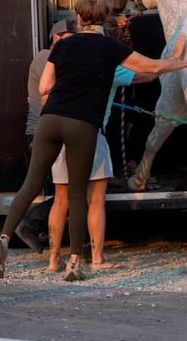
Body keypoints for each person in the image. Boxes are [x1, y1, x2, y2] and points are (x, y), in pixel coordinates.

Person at [0, 0, 187, 281]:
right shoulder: (111, 48)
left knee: (31, 184)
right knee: (78, 194)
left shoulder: (61, 45)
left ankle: (3, 240)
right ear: (104, 16)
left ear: (78, 16)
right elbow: (151, 69)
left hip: (50, 119)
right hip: (82, 124)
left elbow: (44, 86)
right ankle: (75, 262)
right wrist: (184, 61)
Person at [43, 62, 164, 271]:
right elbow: (147, 75)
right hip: (91, 133)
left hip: (62, 133)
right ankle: (97, 259)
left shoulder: (66, 61)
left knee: (61, 200)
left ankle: (53, 260)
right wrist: (179, 60)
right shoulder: (108, 64)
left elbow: (45, 90)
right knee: (96, 200)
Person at [11, 19, 74, 252]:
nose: (68, 42)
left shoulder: (53, 58)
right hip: (42, 134)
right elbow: (55, 90)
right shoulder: (45, 57)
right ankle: (28, 222)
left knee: (63, 188)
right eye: (64, 38)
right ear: (54, 38)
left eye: (71, 38)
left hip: (43, 132)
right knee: (67, 190)